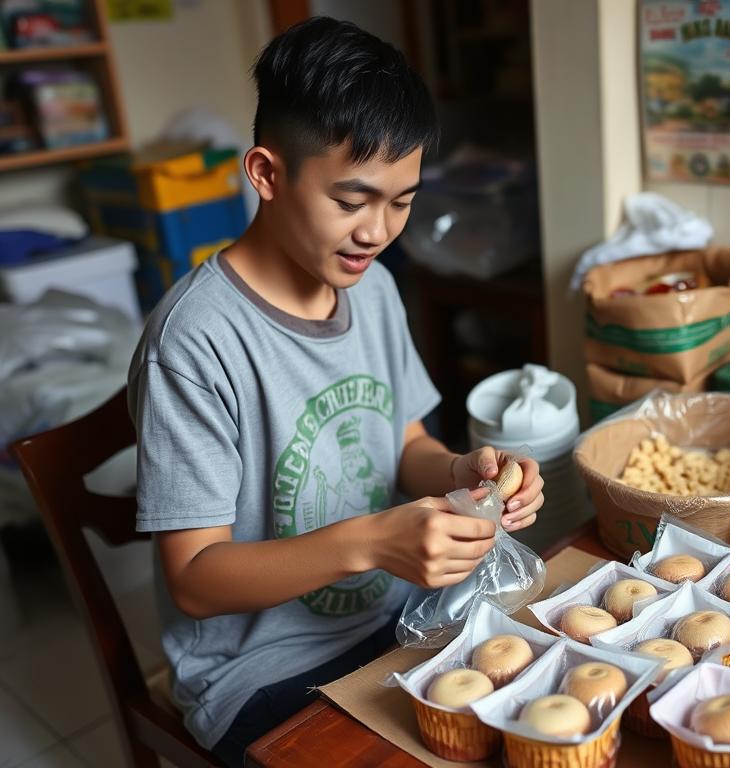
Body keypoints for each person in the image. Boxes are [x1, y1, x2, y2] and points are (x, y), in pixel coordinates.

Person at [127, 17, 544, 767]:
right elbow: (194, 578)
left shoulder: (372, 289)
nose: (377, 232)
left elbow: (406, 443)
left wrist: (462, 474)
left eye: (401, 201)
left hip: (396, 616)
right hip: (261, 673)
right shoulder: (193, 342)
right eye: (352, 201)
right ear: (267, 173)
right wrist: (373, 542)